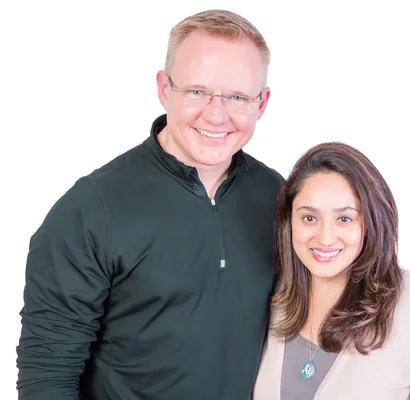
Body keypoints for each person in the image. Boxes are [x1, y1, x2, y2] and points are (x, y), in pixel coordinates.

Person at [16, 9, 284, 399]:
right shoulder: (93, 208)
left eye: (238, 97)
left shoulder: (279, 196)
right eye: (197, 91)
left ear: (261, 103)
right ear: (164, 89)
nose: (216, 114)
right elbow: (47, 373)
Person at [253, 142, 410, 399]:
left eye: (344, 218)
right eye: (309, 218)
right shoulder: (274, 296)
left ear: (371, 222)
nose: (325, 238)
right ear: (288, 221)